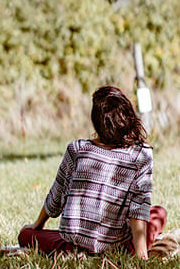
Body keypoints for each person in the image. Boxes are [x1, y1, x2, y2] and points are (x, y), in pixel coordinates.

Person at [18, 86, 167, 258]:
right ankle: (128, 251)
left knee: (25, 235)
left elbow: (56, 196)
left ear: (96, 121)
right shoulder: (141, 154)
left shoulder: (77, 149)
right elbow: (138, 209)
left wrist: (36, 225)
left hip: (72, 247)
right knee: (158, 213)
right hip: (116, 247)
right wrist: (141, 255)